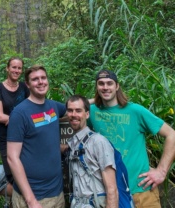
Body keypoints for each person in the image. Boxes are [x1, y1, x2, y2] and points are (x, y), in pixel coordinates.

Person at [89, 69, 175, 208]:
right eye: (101, 84)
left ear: (117, 86)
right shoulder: (92, 111)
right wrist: (98, 98)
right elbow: (72, 108)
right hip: (112, 194)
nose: (105, 87)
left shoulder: (135, 111)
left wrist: (161, 171)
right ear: (96, 87)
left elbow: (172, 135)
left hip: (142, 191)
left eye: (109, 83)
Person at [7, 65, 66, 208]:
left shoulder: (53, 106)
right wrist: (31, 200)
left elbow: (76, 108)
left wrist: (98, 100)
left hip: (57, 194)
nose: (40, 82)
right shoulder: (19, 113)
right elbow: (12, 157)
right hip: (34, 198)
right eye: (35, 79)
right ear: (27, 84)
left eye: (43, 78)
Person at [63, 95, 118, 208]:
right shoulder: (72, 143)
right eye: (70, 110)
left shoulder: (98, 142)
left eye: (78, 111)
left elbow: (112, 189)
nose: (73, 115)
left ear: (87, 114)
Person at [0, 57, 30, 194]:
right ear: (7, 68)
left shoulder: (25, 87)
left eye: (19, 68)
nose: (16, 70)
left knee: (26, 172)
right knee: (12, 175)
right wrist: (21, 121)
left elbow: (32, 109)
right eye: (14, 67)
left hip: (25, 137)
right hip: (6, 137)